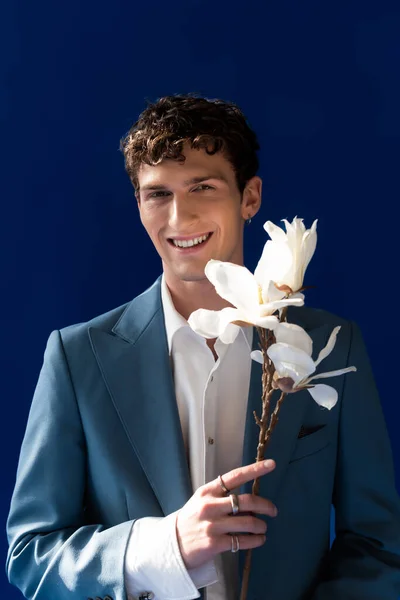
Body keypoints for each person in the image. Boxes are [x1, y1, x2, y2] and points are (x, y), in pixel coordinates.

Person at [6, 94, 400, 600]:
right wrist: (163, 547)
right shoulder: (78, 357)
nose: (179, 217)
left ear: (249, 197)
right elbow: (32, 555)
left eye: (202, 187)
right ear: (139, 206)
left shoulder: (332, 346)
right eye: (158, 194)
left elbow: (377, 544)